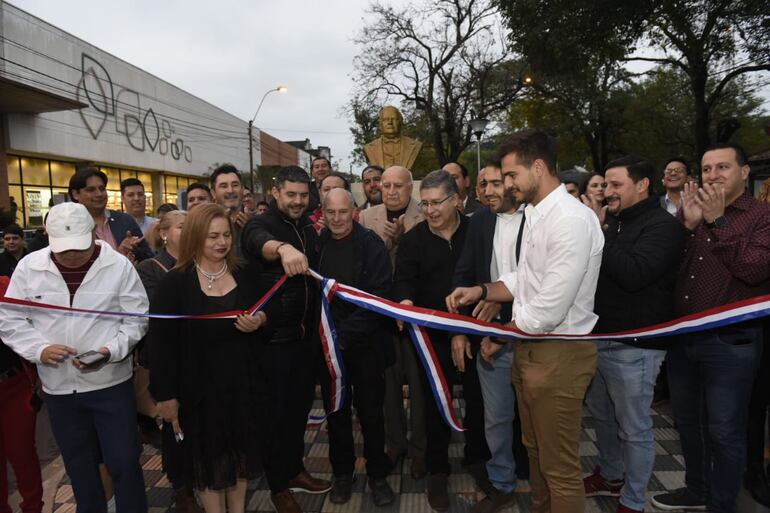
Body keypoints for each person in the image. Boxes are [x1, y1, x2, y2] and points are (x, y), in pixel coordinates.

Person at [447, 129, 604, 513]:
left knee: (560, 466)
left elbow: (549, 306)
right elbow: (525, 279)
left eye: (512, 175)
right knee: (535, 451)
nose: (508, 185)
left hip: (559, 356)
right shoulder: (538, 214)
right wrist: (482, 291)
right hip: (531, 350)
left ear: (537, 168)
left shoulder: (569, 220)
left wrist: (499, 336)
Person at [0, 201, 149, 513]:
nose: (70, 255)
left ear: (93, 233)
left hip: (110, 384)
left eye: (78, 247)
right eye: (62, 248)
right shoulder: (29, 267)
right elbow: (10, 320)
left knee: (123, 461)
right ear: (46, 235)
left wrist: (110, 351)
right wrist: (39, 349)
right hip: (59, 389)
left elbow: (136, 319)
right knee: (79, 467)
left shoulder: (117, 265)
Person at [651, 143, 770, 513]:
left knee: (725, 431)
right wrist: (684, 229)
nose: (713, 175)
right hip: (685, 338)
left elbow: (753, 270)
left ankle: (722, 504)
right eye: (706, 169)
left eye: (723, 167)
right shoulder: (692, 212)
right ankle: (696, 489)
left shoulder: (761, 216)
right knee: (688, 423)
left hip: (730, 344)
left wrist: (718, 222)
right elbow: (667, 270)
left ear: (745, 172)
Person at [580, 156, 686, 513]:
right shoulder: (616, 223)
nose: (607, 192)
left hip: (637, 345)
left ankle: (634, 499)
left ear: (642, 185)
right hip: (599, 338)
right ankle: (611, 475)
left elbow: (635, 273)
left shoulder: (664, 227)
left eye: (615, 185)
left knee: (634, 427)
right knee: (602, 416)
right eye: (605, 185)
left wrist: (598, 233)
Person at [148, 204, 269, 513]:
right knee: (207, 462)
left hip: (243, 387)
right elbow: (161, 345)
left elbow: (270, 313)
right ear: (195, 238)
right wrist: (165, 396)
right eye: (212, 236)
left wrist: (260, 320)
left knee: (239, 456)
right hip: (198, 395)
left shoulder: (245, 273)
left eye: (227, 234)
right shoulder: (175, 283)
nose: (221, 242)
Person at [241, 166, 329, 513]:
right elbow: (255, 241)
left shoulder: (307, 225)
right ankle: (278, 485)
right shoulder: (261, 224)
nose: (297, 201)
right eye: (290, 194)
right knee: (274, 416)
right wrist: (281, 250)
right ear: (275, 193)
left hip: (305, 340)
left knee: (298, 412)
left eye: (303, 195)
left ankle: (294, 469)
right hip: (272, 341)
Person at [394, 170, 480, 511]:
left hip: (474, 331)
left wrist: (467, 326)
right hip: (430, 338)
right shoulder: (413, 240)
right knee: (432, 405)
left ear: (456, 199)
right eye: (425, 203)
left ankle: (478, 458)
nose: (429, 211)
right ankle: (437, 469)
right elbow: (404, 280)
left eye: (436, 203)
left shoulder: (477, 233)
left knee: (478, 400)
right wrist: (405, 302)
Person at [452, 162, 529, 513]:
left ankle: (545, 483)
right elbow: (466, 270)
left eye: (496, 182)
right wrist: (463, 325)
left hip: (534, 334)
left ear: (514, 183)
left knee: (537, 419)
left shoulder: (540, 219)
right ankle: (501, 484)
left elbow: (543, 283)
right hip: (489, 332)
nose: (488, 190)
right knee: (496, 416)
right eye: (483, 184)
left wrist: (502, 308)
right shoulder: (481, 221)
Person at [317, 188, 395, 507]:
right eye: (331, 212)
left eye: (343, 212)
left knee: (371, 414)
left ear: (355, 212)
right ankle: (341, 474)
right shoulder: (315, 245)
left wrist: (344, 335)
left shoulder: (371, 245)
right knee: (336, 412)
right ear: (323, 213)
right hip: (328, 349)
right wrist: (328, 339)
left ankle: (377, 475)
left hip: (365, 345)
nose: (337, 219)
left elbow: (379, 297)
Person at [358, 165, 428, 478]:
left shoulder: (426, 214)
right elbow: (367, 269)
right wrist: (388, 245)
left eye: (398, 185)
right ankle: (394, 442)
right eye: (385, 185)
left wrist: (403, 242)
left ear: (410, 188)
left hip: (417, 316)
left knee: (419, 384)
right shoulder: (366, 218)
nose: (390, 191)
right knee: (387, 384)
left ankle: (420, 449)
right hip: (381, 317)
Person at [0, 274, 43, 513]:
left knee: (21, 451)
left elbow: (28, 324)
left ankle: (33, 508)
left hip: (13, 385)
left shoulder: (5, 286)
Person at [69, 167, 153, 262]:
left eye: (102, 189)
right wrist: (119, 254)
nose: (99, 194)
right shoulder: (70, 225)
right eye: (91, 190)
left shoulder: (125, 220)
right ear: (75, 194)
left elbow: (148, 257)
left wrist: (134, 249)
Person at [364, 106, 423, 170]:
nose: (390, 122)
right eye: (385, 120)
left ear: (400, 122)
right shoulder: (369, 148)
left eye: (394, 119)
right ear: (380, 125)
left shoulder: (415, 145)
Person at [209, 164, 249, 255]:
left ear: (242, 190)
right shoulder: (204, 224)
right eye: (224, 186)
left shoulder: (257, 222)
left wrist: (251, 230)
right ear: (213, 193)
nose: (230, 190)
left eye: (235, 185)